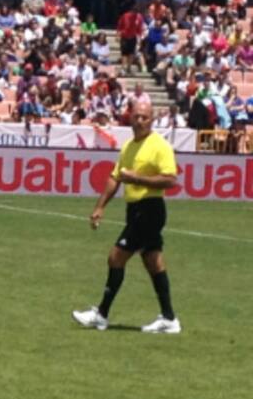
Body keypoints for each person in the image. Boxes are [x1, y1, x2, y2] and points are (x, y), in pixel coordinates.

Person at [73, 101, 182, 334]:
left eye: (144, 117)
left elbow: (171, 179)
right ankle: (169, 318)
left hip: (150, 209)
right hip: (134, 210)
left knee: (116, 257)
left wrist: (137, 179)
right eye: (136, 116)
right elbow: (116, 177)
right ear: (130, 118)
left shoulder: (160, 146)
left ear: (152, 120)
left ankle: (101, 315)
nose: (140, 121)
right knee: (153, 262)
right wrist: (100, 206)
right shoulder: (128, 147)